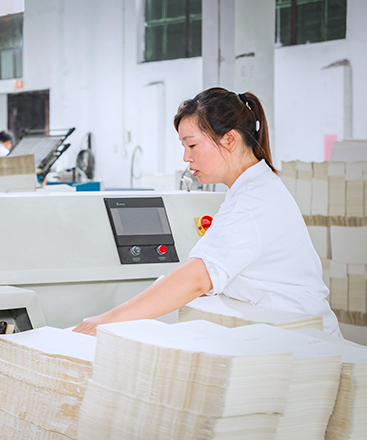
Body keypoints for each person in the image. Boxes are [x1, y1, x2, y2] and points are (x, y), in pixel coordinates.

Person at [74, 87, 342, 337]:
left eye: (192, 145)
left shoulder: (253, 201)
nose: (186, 158)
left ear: (229, 139)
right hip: (286, 336)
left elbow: (197, 279)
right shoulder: (249, 191)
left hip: (307, 343)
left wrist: (105, 321)